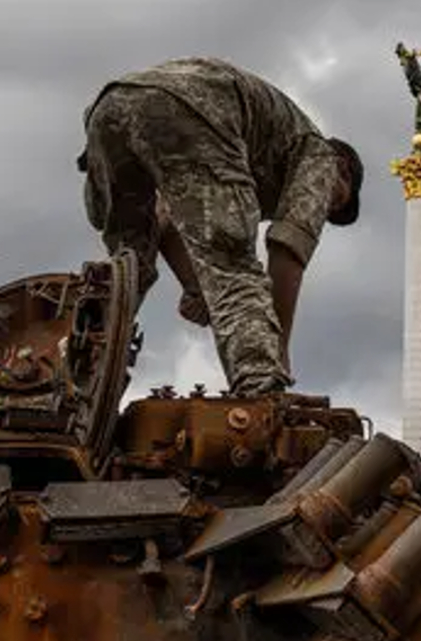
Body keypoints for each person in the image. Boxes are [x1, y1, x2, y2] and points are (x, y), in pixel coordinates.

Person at [78, 57, 365, 397]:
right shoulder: (321, 156)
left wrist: (196, 288)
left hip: (110, 108)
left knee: (127, 268)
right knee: (234, 266)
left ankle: (75, 375)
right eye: (334, 203)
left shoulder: (245, 160)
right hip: (194, 105)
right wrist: (279, 352)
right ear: (343, 169)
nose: (324, 211)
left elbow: (164, 222)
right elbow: (288, 251)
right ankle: (260, 387)